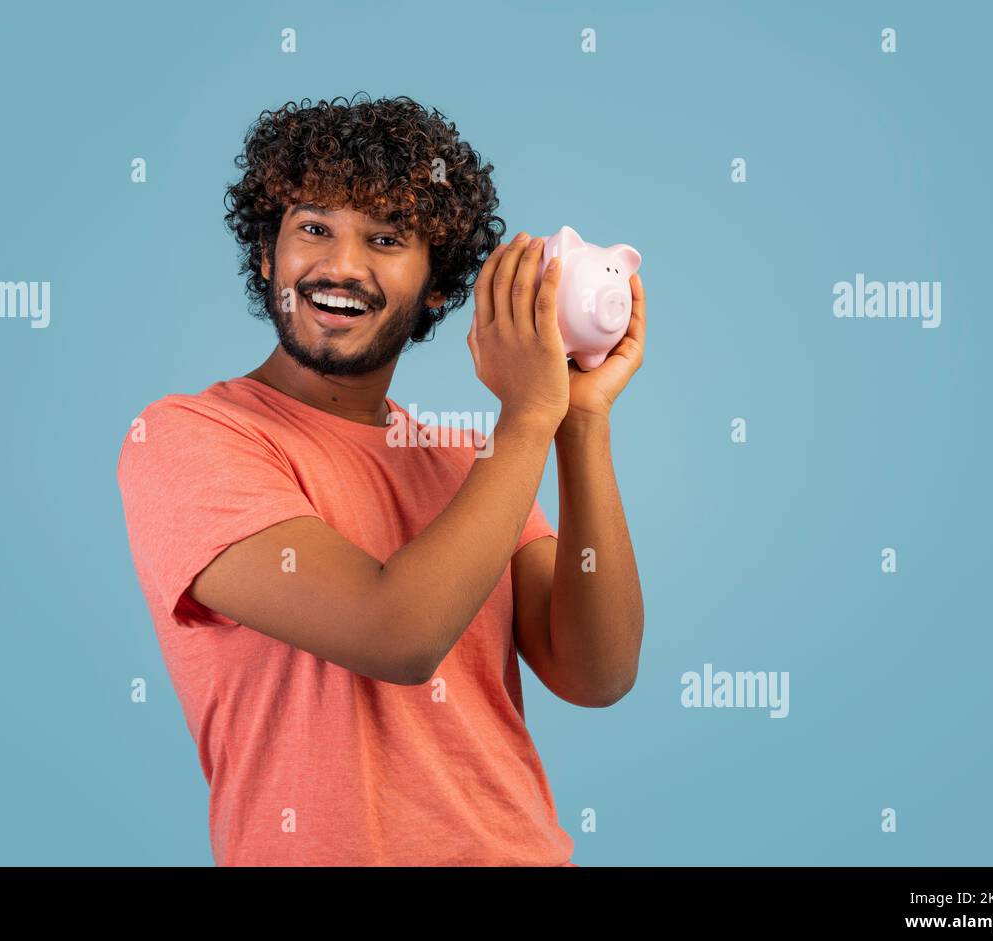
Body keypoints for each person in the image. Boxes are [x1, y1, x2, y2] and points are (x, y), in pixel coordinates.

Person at [116, 93, 645, 866]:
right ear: (268, 254)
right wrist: (527, 418)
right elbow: (394, 636)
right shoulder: (188, 439)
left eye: (387, 237)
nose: (341, 265)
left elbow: (596, 671)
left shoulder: (474, 463)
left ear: (437, 285)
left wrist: (577, 421)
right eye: (313, 227)